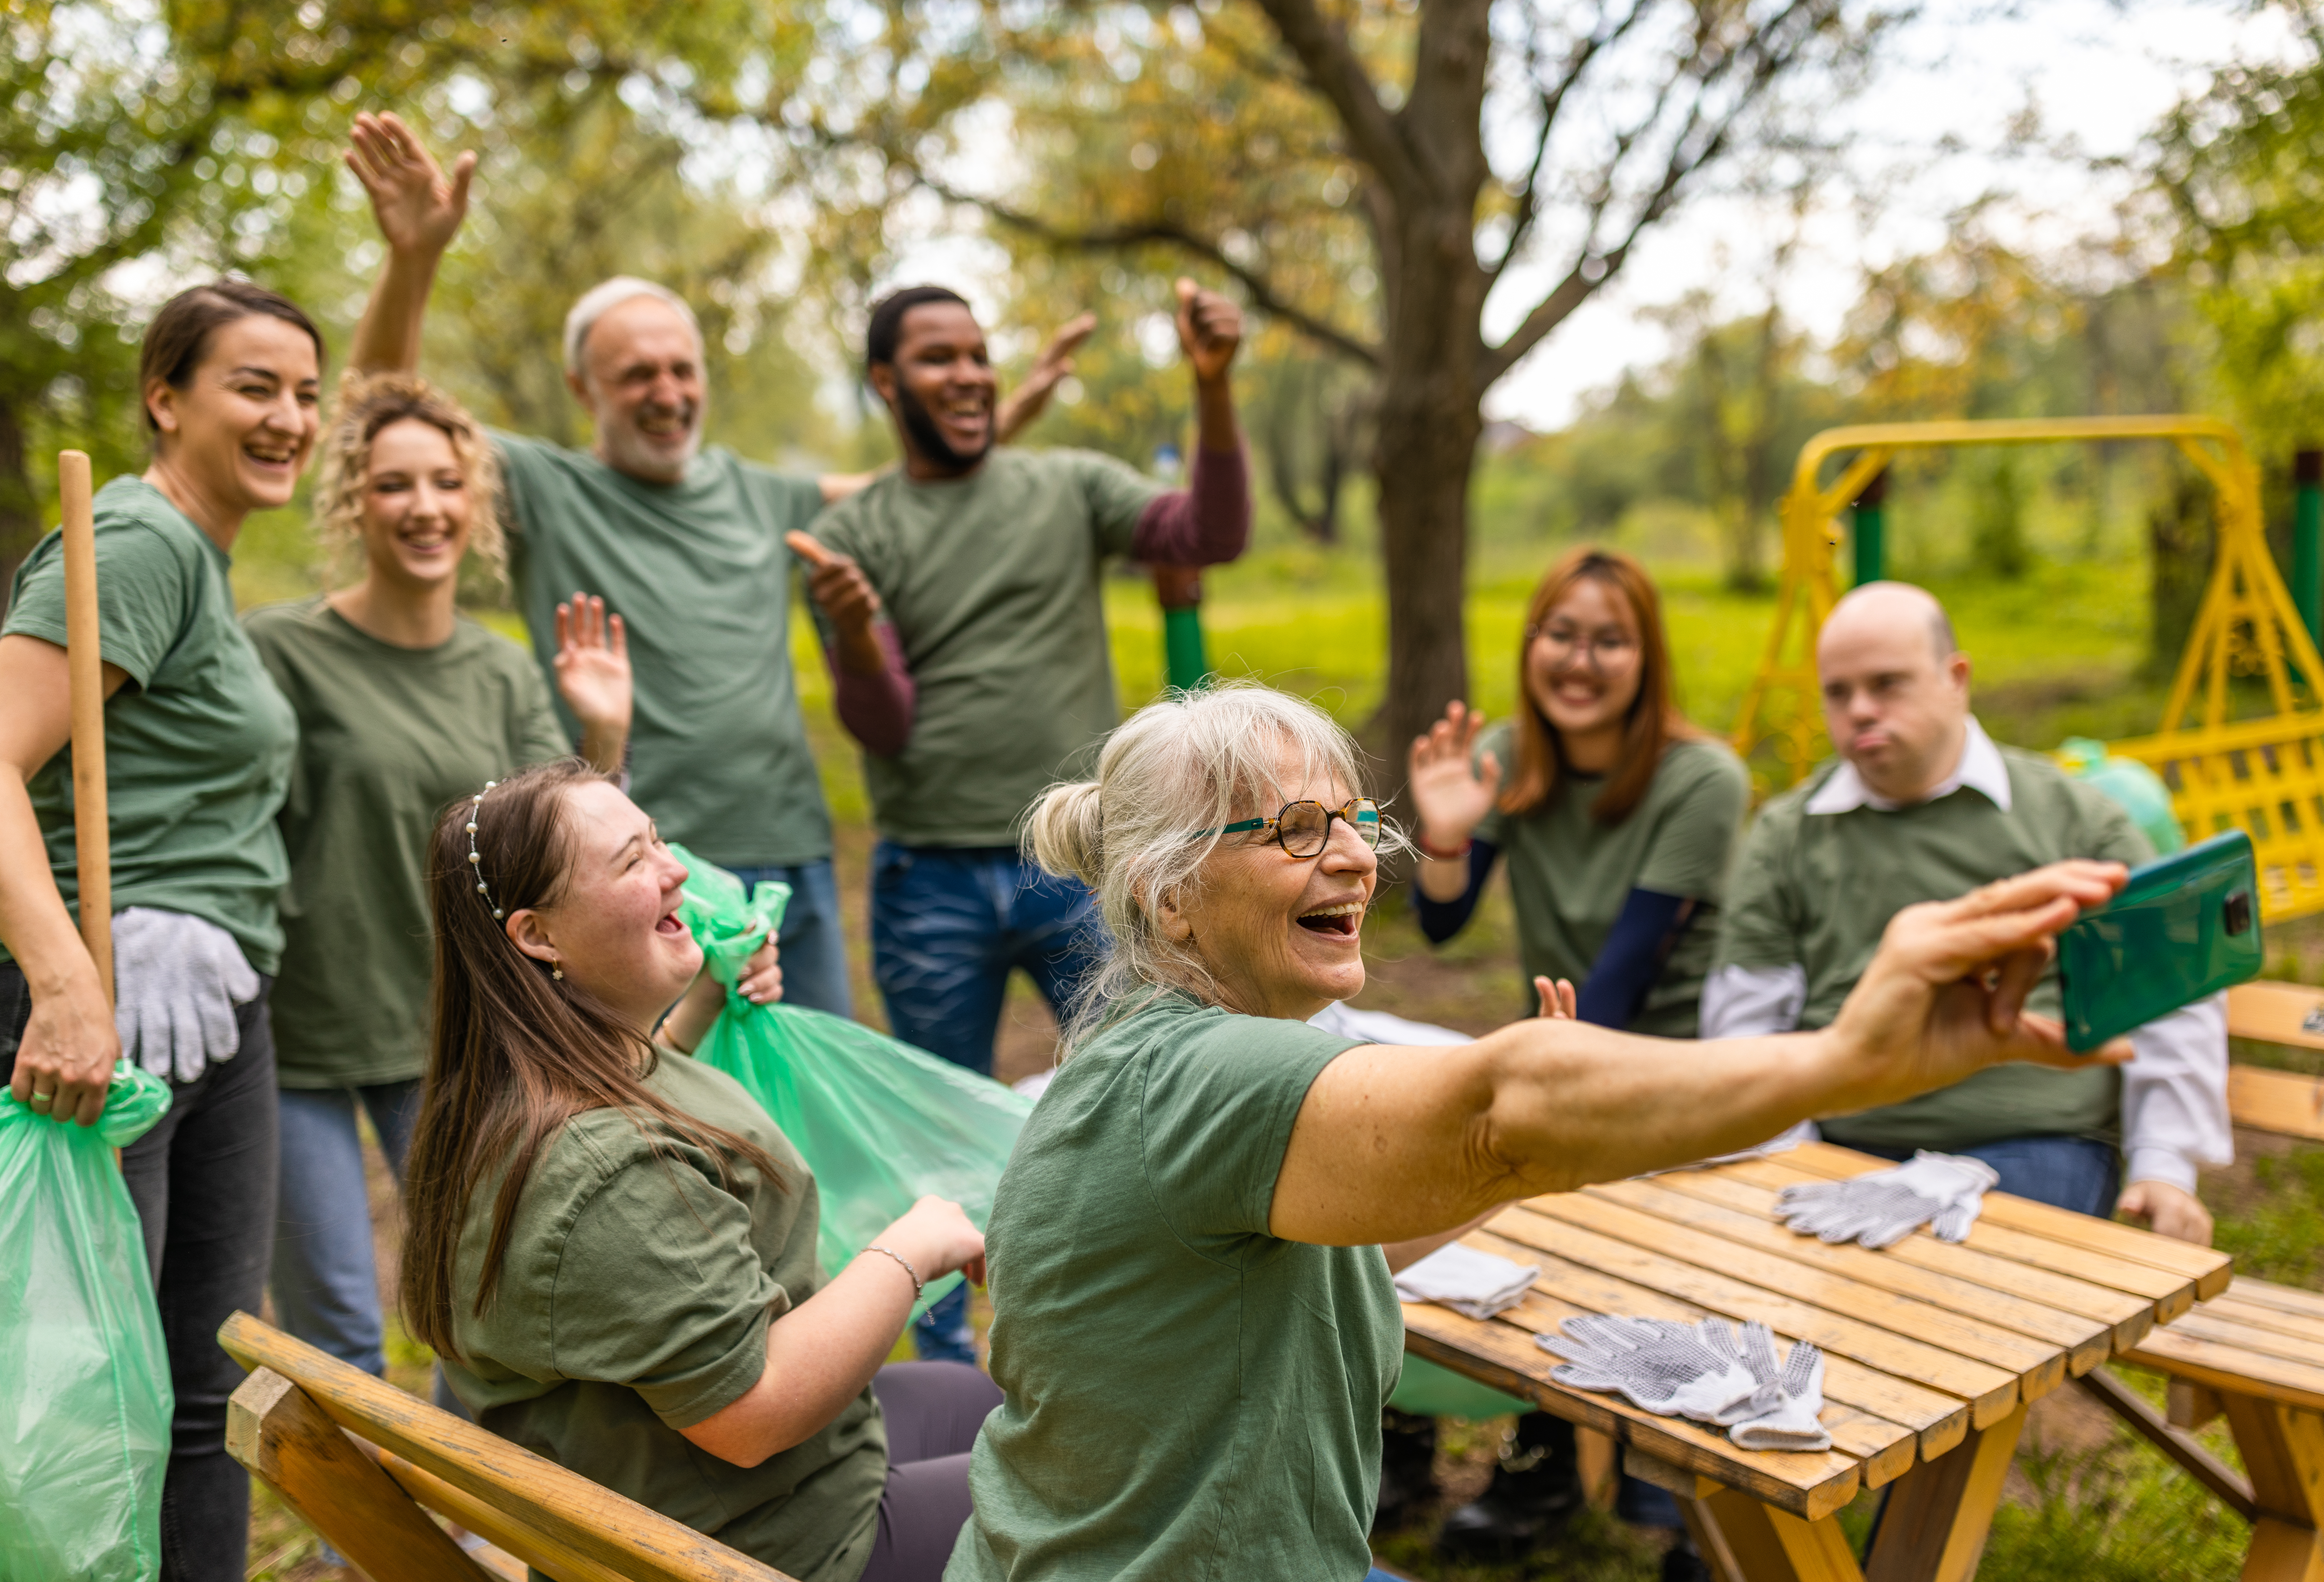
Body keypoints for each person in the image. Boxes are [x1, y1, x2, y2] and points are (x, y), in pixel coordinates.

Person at [948, 681, 2131, 1582]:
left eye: (1355, 816)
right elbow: (1497, 1102)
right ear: (1169, 893)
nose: (1358, 852)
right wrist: (1843, 1060)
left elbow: (1313, 1244)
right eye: (1296, 827)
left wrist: (1504, 1170)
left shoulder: (1163, 1063)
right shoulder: (1204, 1076)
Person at [342, 112, 1080, 1015]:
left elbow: (905, 482)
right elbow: (380, 417)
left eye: (681, 370)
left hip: (791, 854)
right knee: (673, 1114)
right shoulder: (540, 487)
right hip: (634, 868)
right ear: (584, 390)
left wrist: (990, 413)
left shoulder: (760, 495)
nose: (668, 393)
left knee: (808, 1111)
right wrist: (413, 259)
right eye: (637, 376)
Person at [399, 759, 996, 1582]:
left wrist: (701, 1008)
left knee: (971, 1402)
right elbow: (749, 1413)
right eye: (631, 862)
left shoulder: (527, 1084)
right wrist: (909, 1249)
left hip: (707, 1495)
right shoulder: (606, 1175)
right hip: (764, 1549)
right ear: (537, 935)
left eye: (657, 842)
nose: (675, 868)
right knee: (1104, 1483)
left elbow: (632, 1121)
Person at [0, 279, 319, 1581]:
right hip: (87, 1023)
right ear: (166, 398)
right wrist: (65, 987)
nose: (290, 417)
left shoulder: (197, 561)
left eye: (306, 395)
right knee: (59, 1412)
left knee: (200, 1395)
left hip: (207, 1011)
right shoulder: (137, 544)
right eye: (254, 386)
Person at [801, 278, 1250, 1362]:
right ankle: (947, 1371)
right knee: (933, 1140)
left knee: (1141, 1102)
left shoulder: (1064, 486)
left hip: (1081, 866)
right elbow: (886, 728)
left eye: (975, 353)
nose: (965, 374)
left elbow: (1207, 532)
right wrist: (858, 639)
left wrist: (1214, 386)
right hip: (930, 881)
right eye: (935, 358)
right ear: (884, 382)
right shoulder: (853, 532)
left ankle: (1143, 1339)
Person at [244, 371, 635, 1383]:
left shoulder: (501, 671)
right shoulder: (279, 651)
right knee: (337, 1320)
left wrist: (601, 736)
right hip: (302, 1030)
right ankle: (368, 1539)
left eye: (446, 482)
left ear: (476, 504)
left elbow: (547, 854)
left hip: (454, 1028)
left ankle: (468, 1524)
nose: (424, 507)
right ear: (351, 503)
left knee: (476, 1296)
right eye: (392, 485)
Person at [1403, 546, 1747, 1568]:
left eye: (1609, 639)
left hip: (1681, 1072)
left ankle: (1640, 1482)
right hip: (1560, 1044)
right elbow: (1439, 920)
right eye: (1561, 634)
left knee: (1558, 1206)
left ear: (1646, 658)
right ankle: (1488, 1441)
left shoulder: (1700, 780)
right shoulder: (1509, 754)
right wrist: (1449, 835)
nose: (1580, 660)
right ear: (1530, 646)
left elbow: (1627, 977)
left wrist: (1529, 1084)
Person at [1703, 581, 2230, 1241]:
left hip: (2038, 1142)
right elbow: (1746, 1021)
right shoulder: (1786, 836)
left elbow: (2172, 991)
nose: (1860, 710)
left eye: (1887, 684)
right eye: (1838, 692)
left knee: (1958, 1299)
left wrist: (2165, 1167)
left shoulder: (2074, 818)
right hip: (1837, 1145)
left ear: (1957, 679)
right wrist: (1789, 1161)